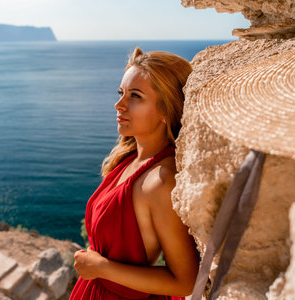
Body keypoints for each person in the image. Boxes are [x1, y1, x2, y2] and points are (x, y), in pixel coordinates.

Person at [69, 47, 199, 300]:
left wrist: (100, 268)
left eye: (135, 96)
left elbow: (185, 282)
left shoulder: (160, 180)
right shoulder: (130, 159)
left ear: (166, 109)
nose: (119, 104)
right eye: (121, 93)